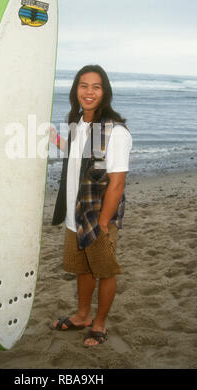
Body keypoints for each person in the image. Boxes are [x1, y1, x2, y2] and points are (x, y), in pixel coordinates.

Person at [49, 64, 132, 347]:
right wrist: (54, 137)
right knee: (83, 269)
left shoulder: (115, 131)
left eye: (96, 86)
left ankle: (99, 324)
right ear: (75, 91)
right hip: (76, 214)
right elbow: (77, 155)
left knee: (105, 271)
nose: (89, 92)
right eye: (83, 85)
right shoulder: (79, 124)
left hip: (97, 218)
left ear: (105, 92)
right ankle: (83, 315)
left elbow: (117, 183)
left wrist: (103, 223)